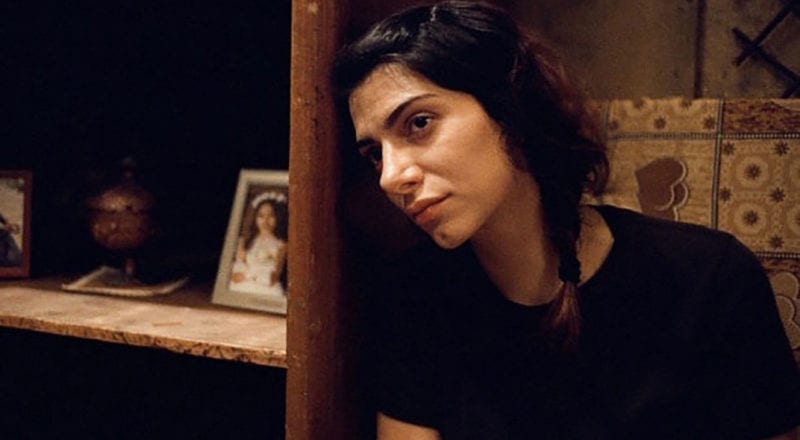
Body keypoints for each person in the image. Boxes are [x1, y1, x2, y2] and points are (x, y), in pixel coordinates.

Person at [332, 1, 800, 439]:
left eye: (419, 123)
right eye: (374, 154)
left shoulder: (708, 279)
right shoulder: (414, 295)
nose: (391, 177)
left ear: (510, 108)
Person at [229, 192, 287, 296]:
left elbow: (273, 278)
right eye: (261, 216)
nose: (265, 221)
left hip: (268, 289)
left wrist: (250, 274)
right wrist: (255, 275)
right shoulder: (244, 241)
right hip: (243, 286)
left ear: (278, 217)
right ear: (255, 218)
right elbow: (235, 275)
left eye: (271, 216)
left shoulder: (281, 245)